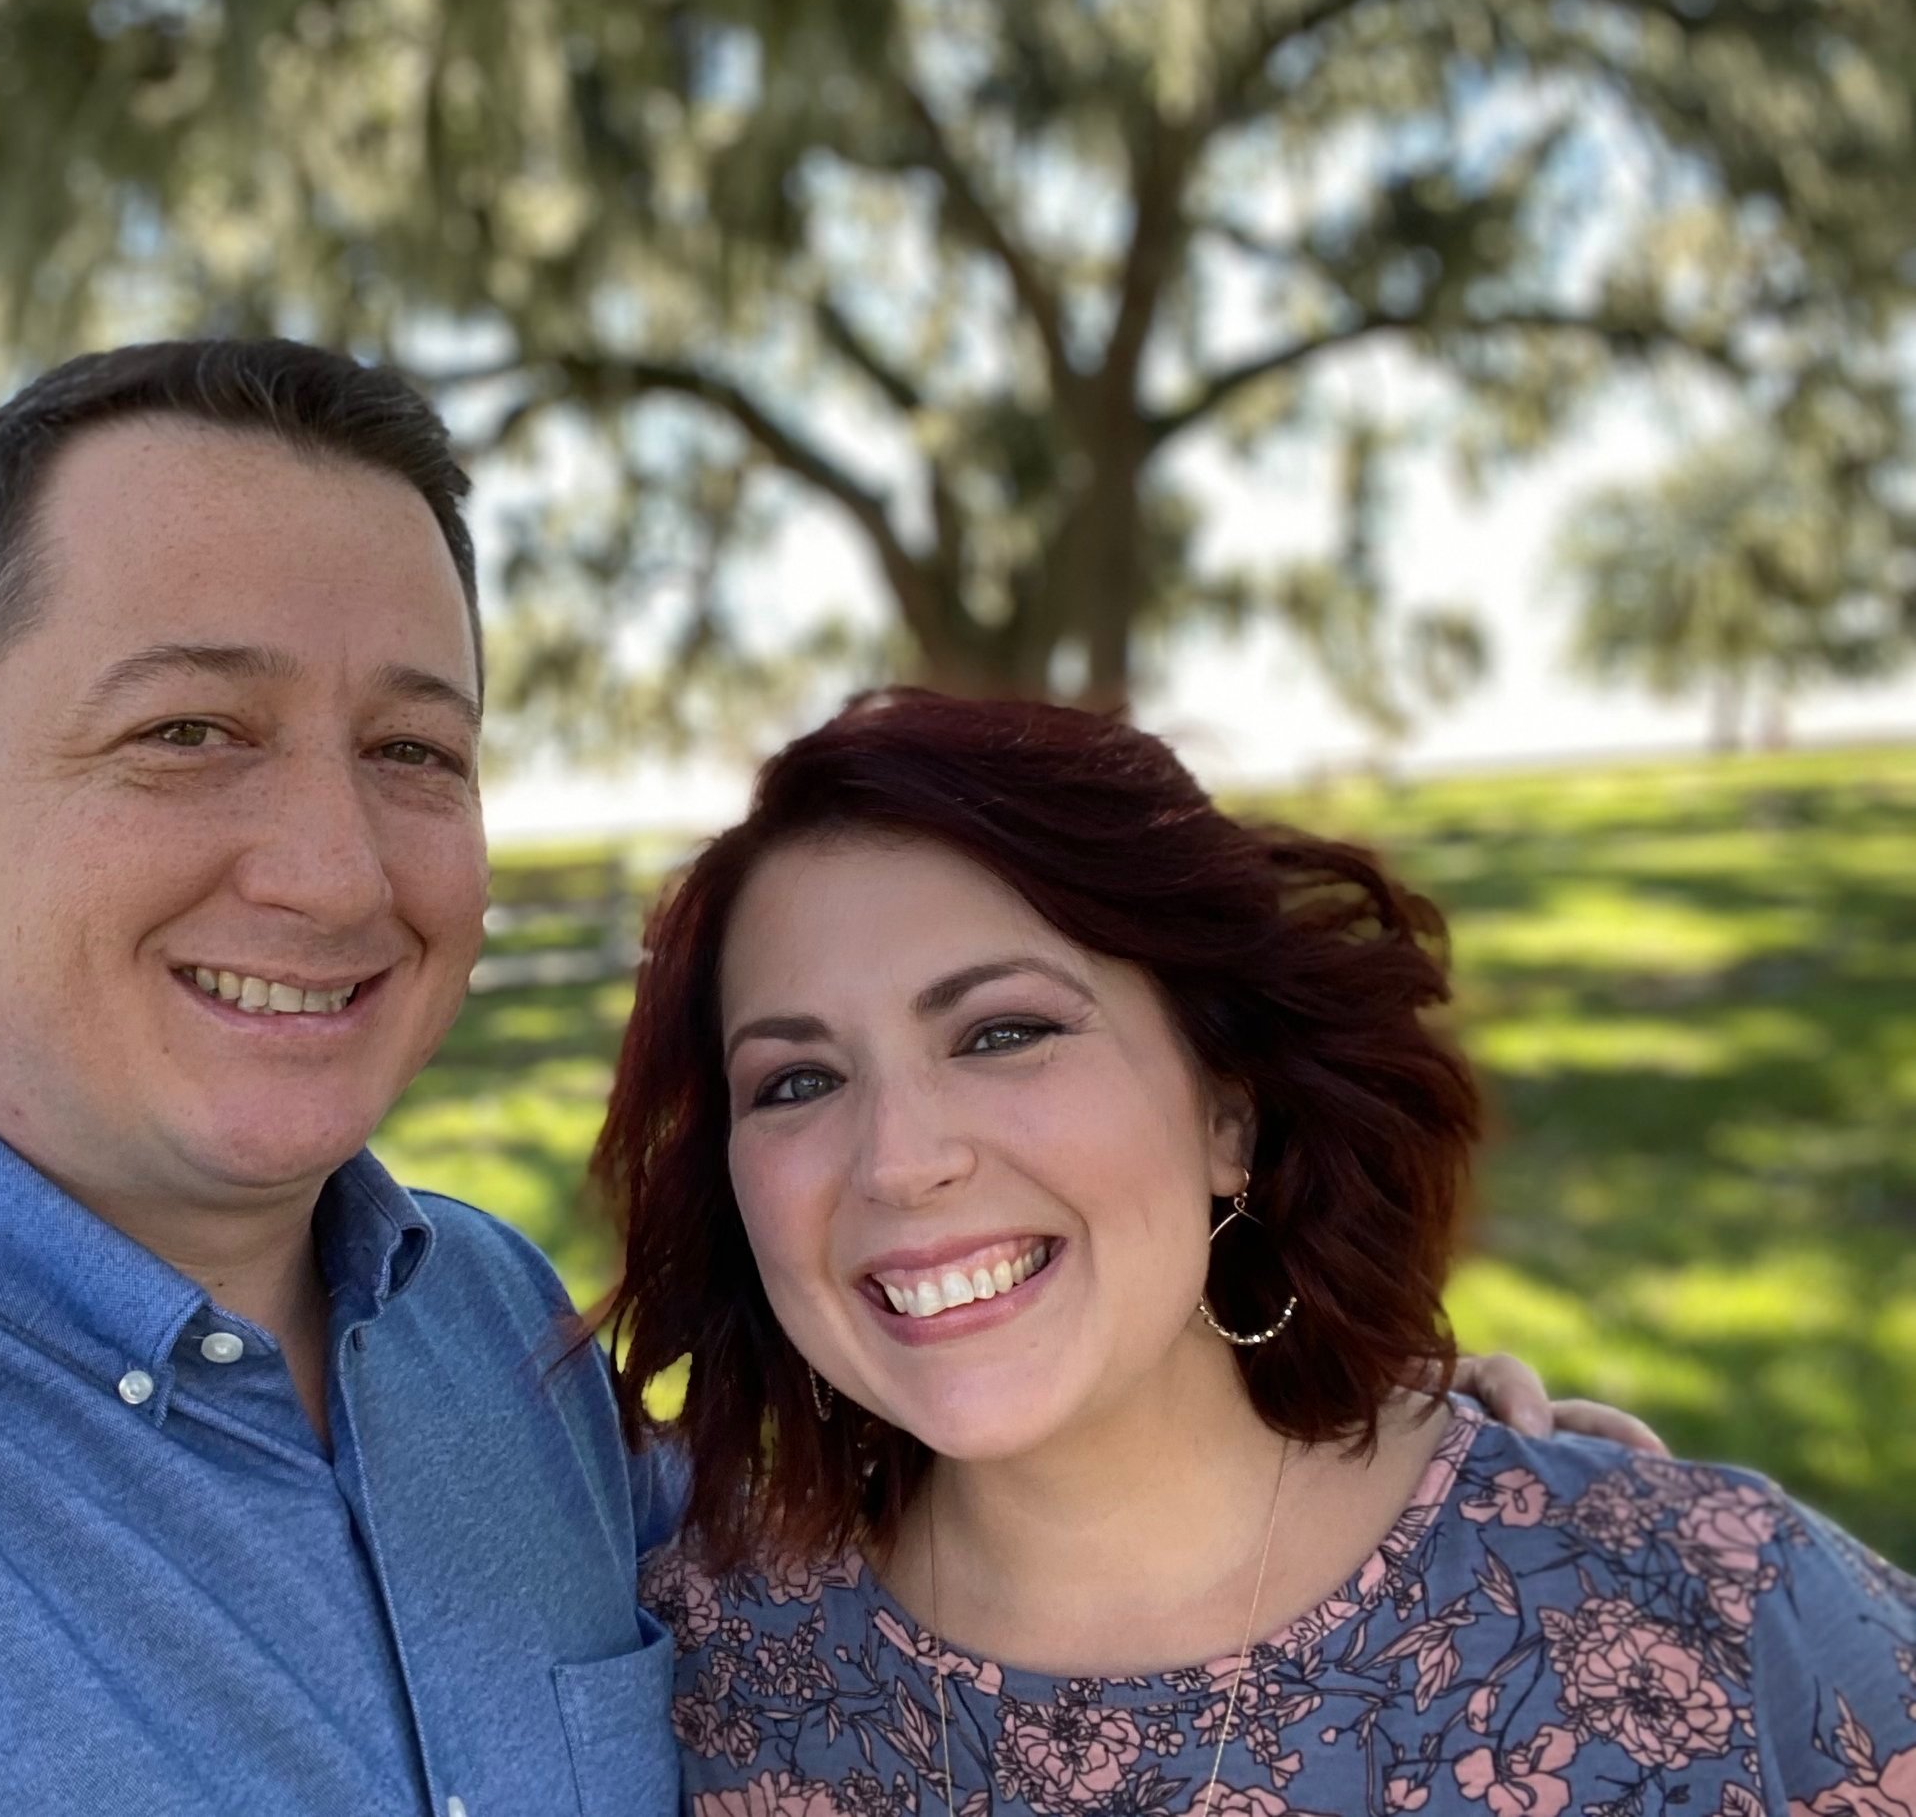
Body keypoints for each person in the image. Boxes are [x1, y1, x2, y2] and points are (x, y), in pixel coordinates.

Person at [0, 340, 1631, 1817]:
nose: (328, 864)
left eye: (414, 750)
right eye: (186, 727)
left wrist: (1391, 1484)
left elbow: (913, 1567)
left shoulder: (497, 1340)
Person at [601, 690, 1916, 1816]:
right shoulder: (688, 1685)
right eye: (794, 1082)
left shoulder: (1720, 1616)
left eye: (1001, 1033)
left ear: (1227, 1112)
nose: (898, 1159)